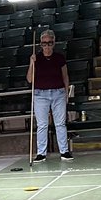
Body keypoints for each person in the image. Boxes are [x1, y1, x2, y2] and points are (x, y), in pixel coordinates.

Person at [27, 30, 72, 161]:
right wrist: (31, 63)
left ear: (53, 43)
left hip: (58, 92)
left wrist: (66, 92)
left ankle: (64, 151)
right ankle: (41, 153)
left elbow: (65, 76)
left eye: (49, 43)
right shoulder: (37, 58)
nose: (46, 46)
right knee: (42, 125)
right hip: (40, 94)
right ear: (40, 44)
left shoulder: (59, 57)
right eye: (44, 43)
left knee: (60, 123)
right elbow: (30, 79)